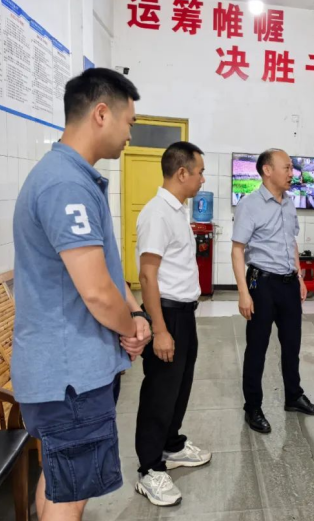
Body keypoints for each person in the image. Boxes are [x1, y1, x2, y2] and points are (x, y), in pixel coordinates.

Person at [11, 68, 151, 521]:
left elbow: (104, 271)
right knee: (69, 497)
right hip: (69, 376)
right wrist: (131, 329)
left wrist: (136, 314)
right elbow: (96, 292)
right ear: (101, 113)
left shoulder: (71, 177)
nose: (130, 134)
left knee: (60, 483)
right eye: (129, 122)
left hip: (63, 372)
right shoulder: (66, 184)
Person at [134, 142, 211, 506]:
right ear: (182, 173)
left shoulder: (178, 210)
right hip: (166, 315)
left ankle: (171, 445)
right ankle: (149, 469)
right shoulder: (157, 214)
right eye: (199, 172)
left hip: (184, 313)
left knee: (180, 386)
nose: (202, 179)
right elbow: (147, 276)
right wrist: (160, 329)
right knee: (159, 392)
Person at [231, 149, 314, 434]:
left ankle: (293, 396)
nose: (291, 173)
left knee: (292, 345)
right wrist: (243, 292)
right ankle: (253, 407)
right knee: (257, 348)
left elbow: (291, 242)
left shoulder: (289, 203)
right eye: (286, 167)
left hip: (288, 283)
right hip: (261, 284)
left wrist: (299, 276)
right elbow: (237, 250)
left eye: (292, 168)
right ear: (267, 170)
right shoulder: (249, 205)